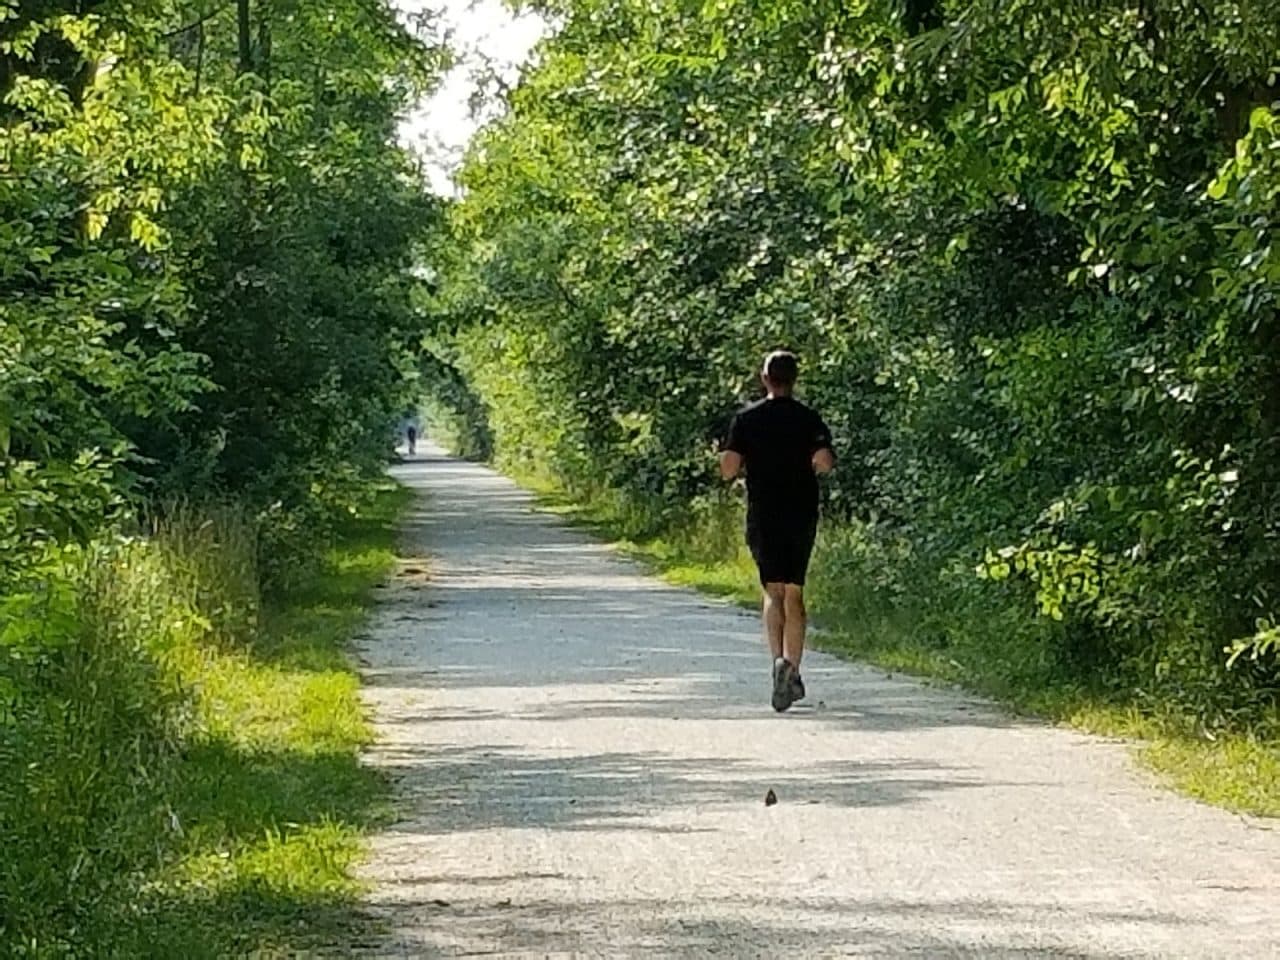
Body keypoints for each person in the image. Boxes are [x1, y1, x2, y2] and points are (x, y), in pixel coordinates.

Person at [720, 350, 835, 712]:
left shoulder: (747, 419)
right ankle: (794, 668)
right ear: (794, 379)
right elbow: (824, 462)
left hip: (764, 512)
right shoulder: (808, 418)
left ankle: (777, 662)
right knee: (795, 591)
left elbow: (728, 469)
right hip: (800, 511)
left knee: (772, 590)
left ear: (765, 378)